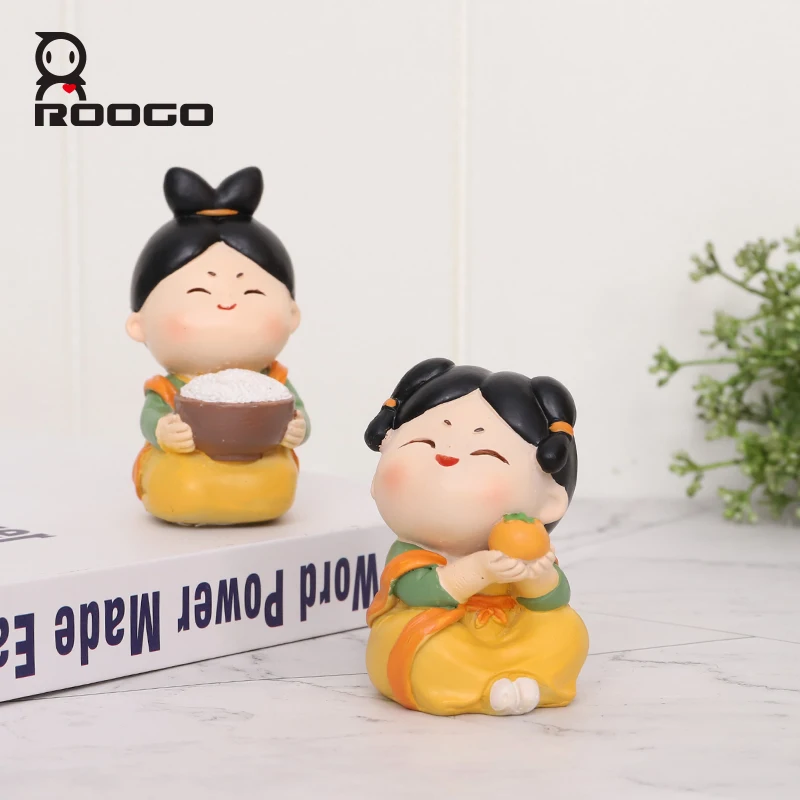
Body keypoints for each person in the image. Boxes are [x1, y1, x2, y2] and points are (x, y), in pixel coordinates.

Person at [364, 358, 588, 715]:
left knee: (566, 629)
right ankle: (476, 686)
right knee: (426, 647)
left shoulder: (525, 546)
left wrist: (537, 575)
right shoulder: (411, 551)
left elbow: (554, 597)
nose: (446, 457)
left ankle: (527, 679)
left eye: (484, 454)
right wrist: (478, 571)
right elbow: (418, 591)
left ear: (549, 502)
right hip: (440, 627)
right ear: (377, 479)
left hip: (512, 627)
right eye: (425, 441)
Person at [127, 166, 309, 525]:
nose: (227, 304)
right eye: (199, 292)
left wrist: (296, 427)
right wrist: (163, 431)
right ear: (139, 325)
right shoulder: (168, 388)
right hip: (186, 470)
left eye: (252, 292)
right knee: (183, 480)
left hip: (263, 467)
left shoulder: (274, 383)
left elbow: (299, 413)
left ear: (292, 316)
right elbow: (151, 416)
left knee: (274, 476)